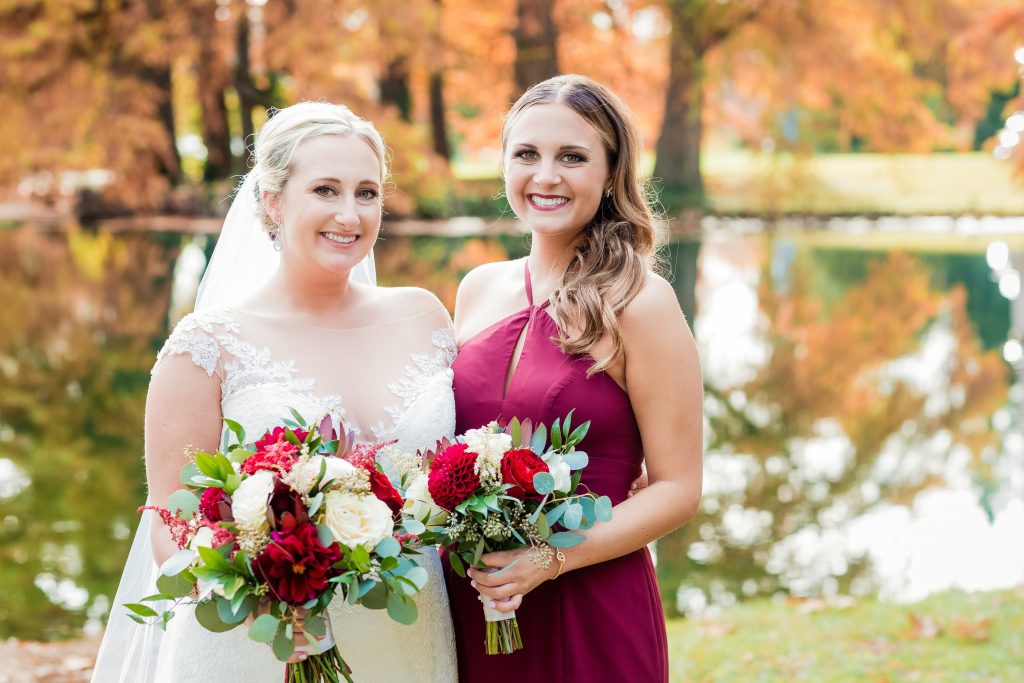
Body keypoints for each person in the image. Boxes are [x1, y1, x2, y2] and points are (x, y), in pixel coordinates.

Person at [91, 102, 458, 682]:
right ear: (272, 201)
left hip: (407, 633)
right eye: (325, 190)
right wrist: (263, 604)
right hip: (261, 645)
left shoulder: (424, 317)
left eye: (367, 193)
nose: (350, 213)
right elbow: (169, 521)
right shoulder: (206, 346)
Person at [447, 75, 703, 682]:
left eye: (572, 157)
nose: (546, 176)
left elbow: (677, 489)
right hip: (478, 600)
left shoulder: (641, 302)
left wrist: (547, 558)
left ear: (611, 174)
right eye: (526, 155)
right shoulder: (477, 289)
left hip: (591, 599)